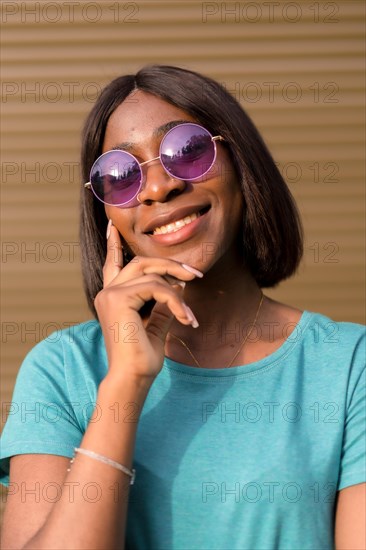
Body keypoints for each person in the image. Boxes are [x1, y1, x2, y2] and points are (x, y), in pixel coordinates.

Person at [0, 65, 365, 550]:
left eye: (188, 151)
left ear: (241, 164)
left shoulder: (347, 364)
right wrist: (125, 382)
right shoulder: (61, 368)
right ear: (106, 215)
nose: (157, 189)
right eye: (120, 175)